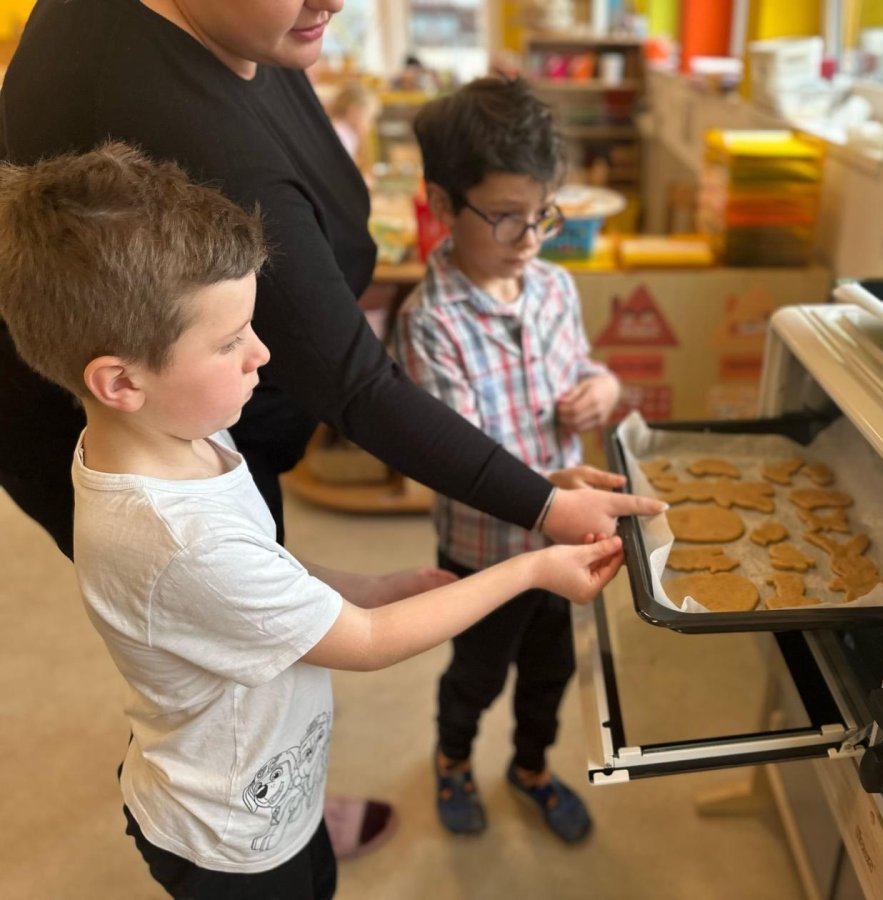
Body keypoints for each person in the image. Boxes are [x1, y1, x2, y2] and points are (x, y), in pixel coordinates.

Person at [0, 0, 663, 857]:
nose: (335, 2)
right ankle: (276, 822)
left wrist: (354, 587)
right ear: (125, 379)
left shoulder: (202, 456)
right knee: (241, 695)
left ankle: (290, 801)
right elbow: (349, 616)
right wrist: (535, 543)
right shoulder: (173, 509)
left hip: (202, 469)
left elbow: (265, 577)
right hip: (229, 840)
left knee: (265, 675)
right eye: (236, 339)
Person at [396, 77, 621, 843]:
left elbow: (582, 364)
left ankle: (530, 768)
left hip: (565, 542)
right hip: (483, 552)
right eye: (505, 216)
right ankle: (453, 761)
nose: (529, 237)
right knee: (478, 673)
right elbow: (460, 457)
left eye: (543, 214)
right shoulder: (430, 323)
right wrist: (552, 486)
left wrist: (601, 387)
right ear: (441, 203)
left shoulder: (554, 288)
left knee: (551, 671)